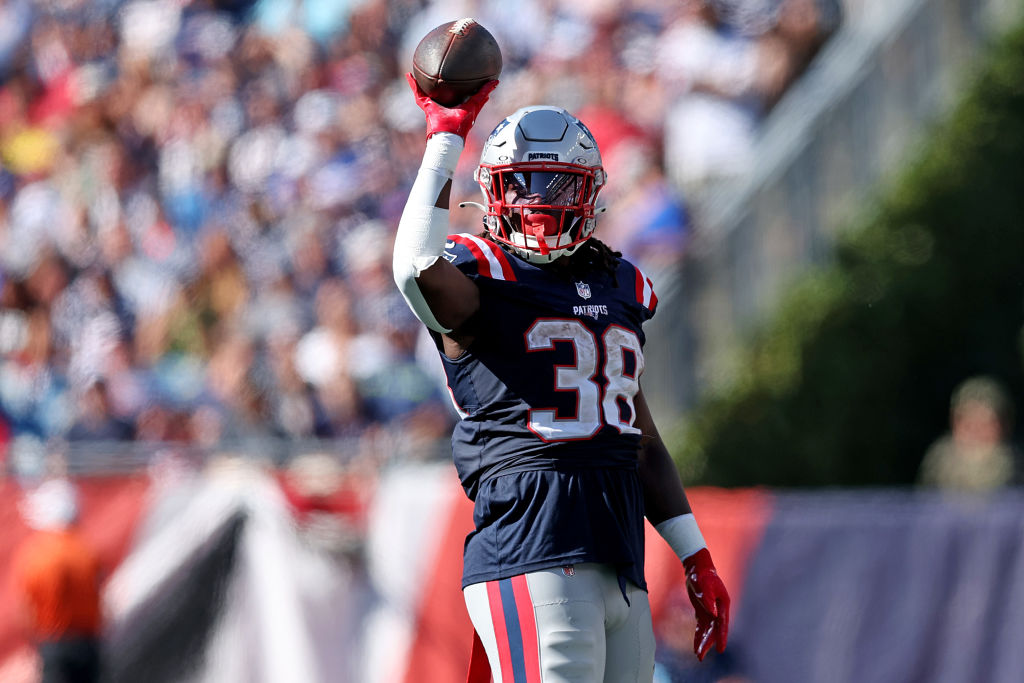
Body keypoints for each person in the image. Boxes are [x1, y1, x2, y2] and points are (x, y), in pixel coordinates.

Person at [392, 71, 730, 682]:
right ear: (492, 191)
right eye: (522, 184)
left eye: (557, 184)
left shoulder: (619, 284)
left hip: (619, 554)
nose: (540, 200)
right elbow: (415, 269)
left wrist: (695, 554)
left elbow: (640, 442)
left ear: (590, 192)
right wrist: (445, 136)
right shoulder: (480, 277)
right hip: (531, 544)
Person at [10, 477, 104, 683]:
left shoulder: (39, 554)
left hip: (55, 644)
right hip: (89, 643)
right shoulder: (84, 549)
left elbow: (28, 607)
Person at [917, 375, 1022, 493]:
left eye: (986, 424)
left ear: (1005, 426)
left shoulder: (1015, 463)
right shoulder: (939, 460)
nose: (976, 432)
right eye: (968, 423)